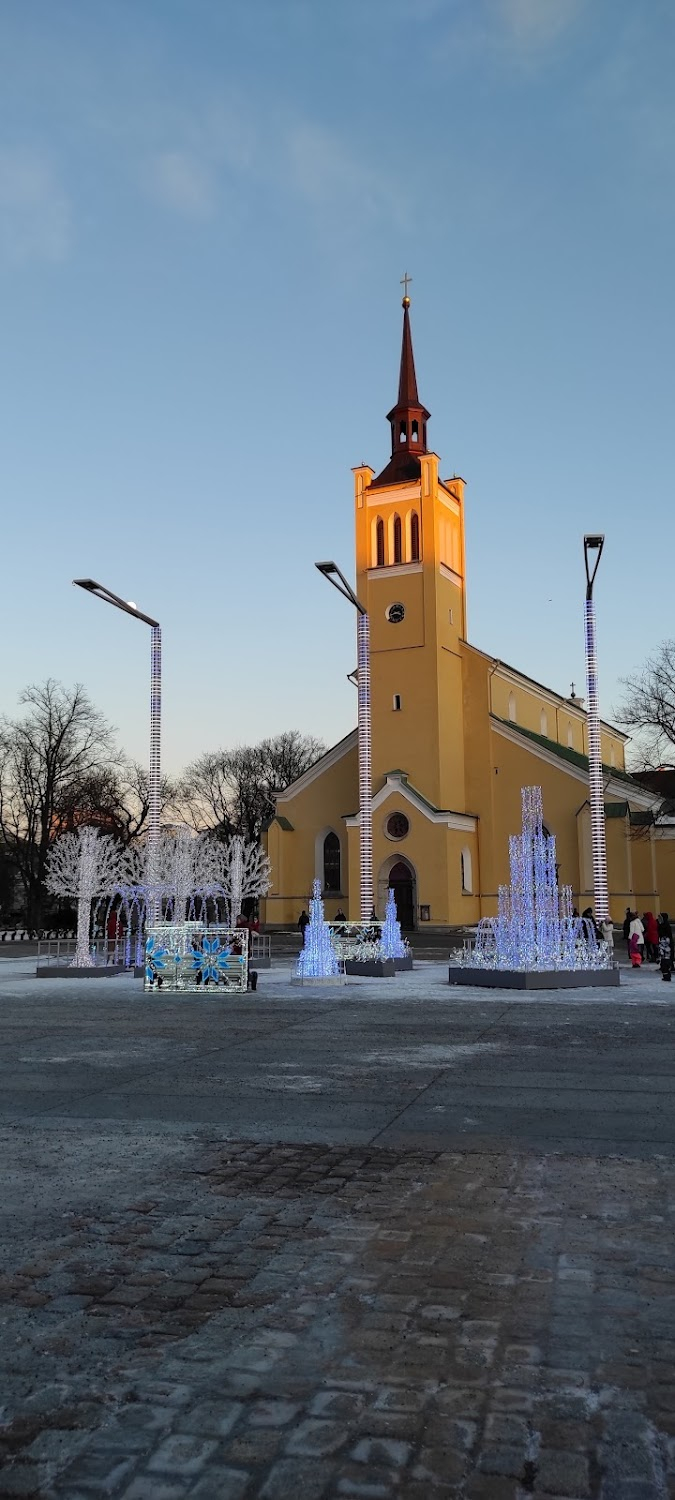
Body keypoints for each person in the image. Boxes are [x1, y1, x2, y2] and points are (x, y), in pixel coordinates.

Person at [658, 913, 674, 982]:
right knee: (664, 961)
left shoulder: (665, 926)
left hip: (666, 946)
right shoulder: (662, 925)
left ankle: (667, 975)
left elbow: (667, 937)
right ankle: (666, 975)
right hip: (664, 945)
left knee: (666, 961)